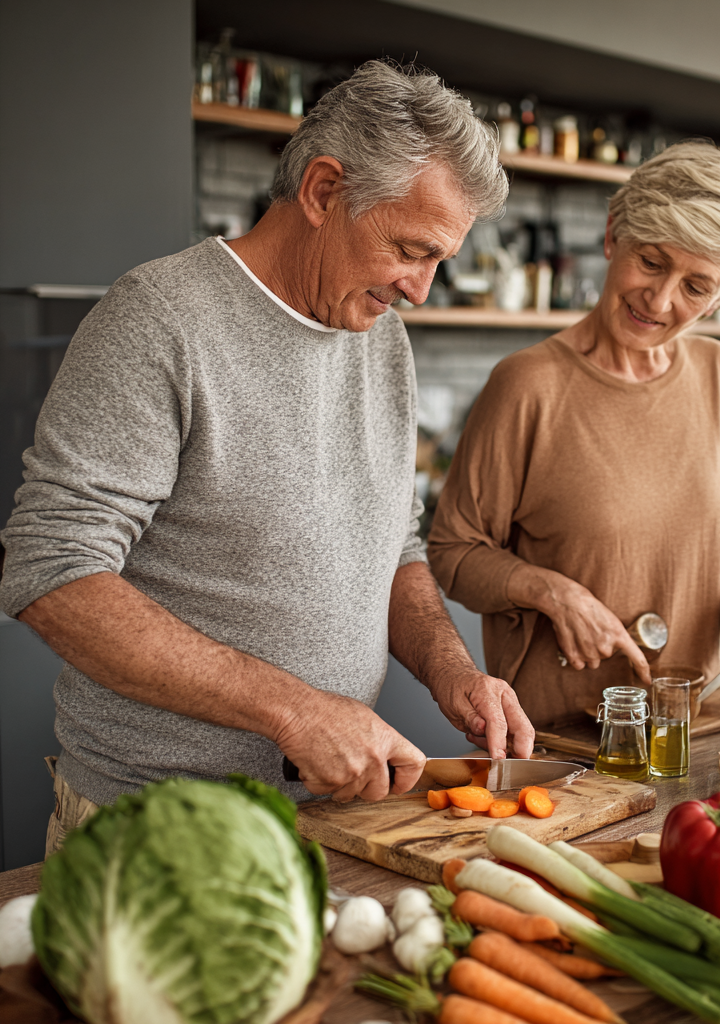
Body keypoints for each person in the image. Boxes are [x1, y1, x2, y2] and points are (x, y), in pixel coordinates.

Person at [0, 61, 534, 853]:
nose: (421, 289)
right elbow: (52, 570)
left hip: (323, 815)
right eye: (411, 250)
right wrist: (293, 708)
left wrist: (452, 671)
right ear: (323, 191)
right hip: (159, 830)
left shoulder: (379, 333)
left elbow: (395, 543)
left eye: (439, 262)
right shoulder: (161, 318)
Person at [428, 141, 720, 728]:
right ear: (612, 235)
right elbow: (452, 553)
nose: (661, 298)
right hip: (558, 736)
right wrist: (550, 592)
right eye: (650, 261)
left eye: (696, 287)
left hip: (687, 722)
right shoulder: (527, 385)